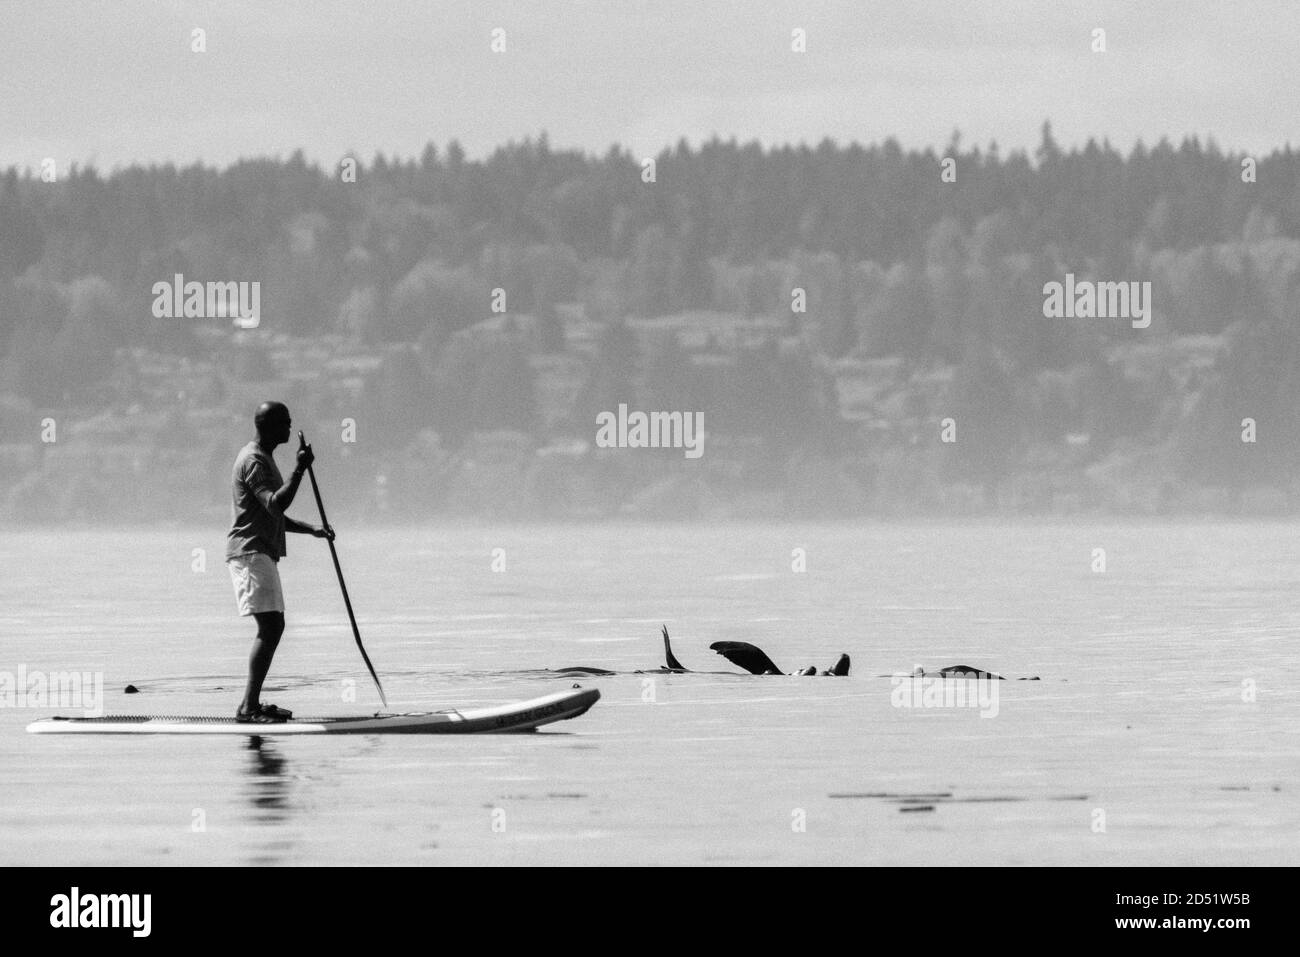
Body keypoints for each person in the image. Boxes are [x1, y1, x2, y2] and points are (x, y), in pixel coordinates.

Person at [225, 401, 333, 723]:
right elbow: (274, 505)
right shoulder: (254, 461)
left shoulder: (264, 458)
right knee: (272, 626)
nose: (290, 427)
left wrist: (312, 530)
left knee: (274, 626)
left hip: (260, 551)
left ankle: (252, 704)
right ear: (269, 426)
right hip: (250, 552)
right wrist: (299, 468)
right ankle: (249, 707)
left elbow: (274, 516)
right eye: (285, 422)